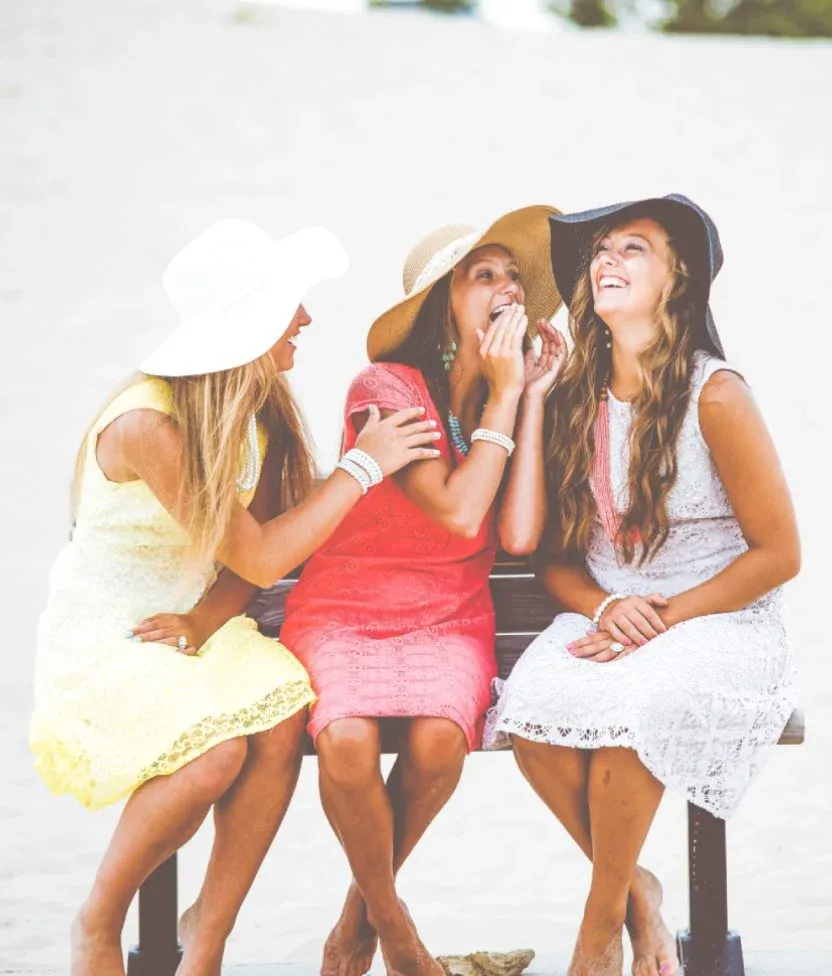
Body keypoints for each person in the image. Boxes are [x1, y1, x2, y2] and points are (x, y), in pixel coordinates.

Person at [30, 218, 441, 976]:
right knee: (216, 753)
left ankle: (207, 942)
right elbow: (258, 553)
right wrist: (362, 467)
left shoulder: (259, 405)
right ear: (249, 324)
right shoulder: (148, 423)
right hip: (117, 635)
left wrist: (204, 618)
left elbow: (265, 545)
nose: (306, 319)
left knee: (280, 722)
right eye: (290, 306)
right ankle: (99, 919)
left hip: (196, 624)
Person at [484, 195, 801, 976]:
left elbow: (778, 554)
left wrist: (663, 617)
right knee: (531, 713)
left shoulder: (715, 395)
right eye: (601, 251)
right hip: (612, 612)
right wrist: (607, 606)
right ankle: (637, 898)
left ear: (676, 281)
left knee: (639, 710)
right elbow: (555, 560)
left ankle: (598, 933)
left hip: (721, 615)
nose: (607, 261)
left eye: (633, 249)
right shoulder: (573, 397)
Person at [281, 206, 566, 976]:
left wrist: (532, 397)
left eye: (513, 277)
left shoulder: (507, 397)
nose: (507, 289)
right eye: (483, 276)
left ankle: (357, 920)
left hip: (449, 615)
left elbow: (516, 536)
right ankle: (397, 934)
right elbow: (455, 508)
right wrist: (506, 397)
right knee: (346, 739)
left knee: (442, 738)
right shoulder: (385, 387)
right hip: (347, 610)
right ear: (445, 304)